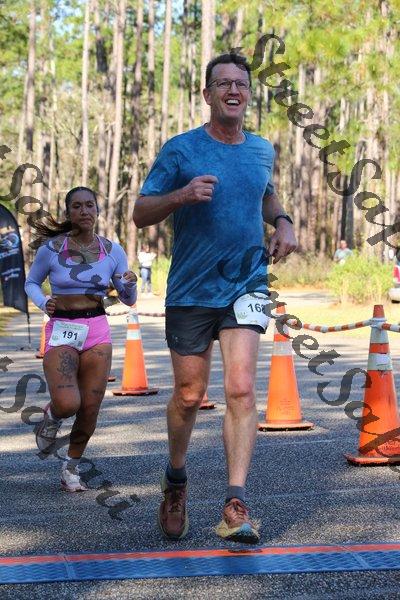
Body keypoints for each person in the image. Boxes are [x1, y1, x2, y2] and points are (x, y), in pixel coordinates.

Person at [133, 53, 297, 544]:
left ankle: (235, 501)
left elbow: (265, 194)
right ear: (207, 95)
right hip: (191, 288)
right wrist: (180, 196)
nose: (233, 90)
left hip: (247, 284)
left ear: (248, 93)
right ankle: (176, 480)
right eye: (222, 83)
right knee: (189, 395)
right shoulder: (181, 149)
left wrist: (283, 221)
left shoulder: (261, 149)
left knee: (242, 390)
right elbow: (141, 211)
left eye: (240, 83)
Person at [25, 186, 137, 492]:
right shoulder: (52, 249)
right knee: (68, 404)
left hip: (97, 331)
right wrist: (42, 302)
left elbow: (127, 298)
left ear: (97, 211)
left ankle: (70, 469)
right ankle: (52, 416)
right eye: (77, 206)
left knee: (89, 408)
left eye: (90, 205)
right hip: (62, 328)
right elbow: (31, 282)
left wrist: (130, 284)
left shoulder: (112, 251)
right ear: (68, 212)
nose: (84, 211)